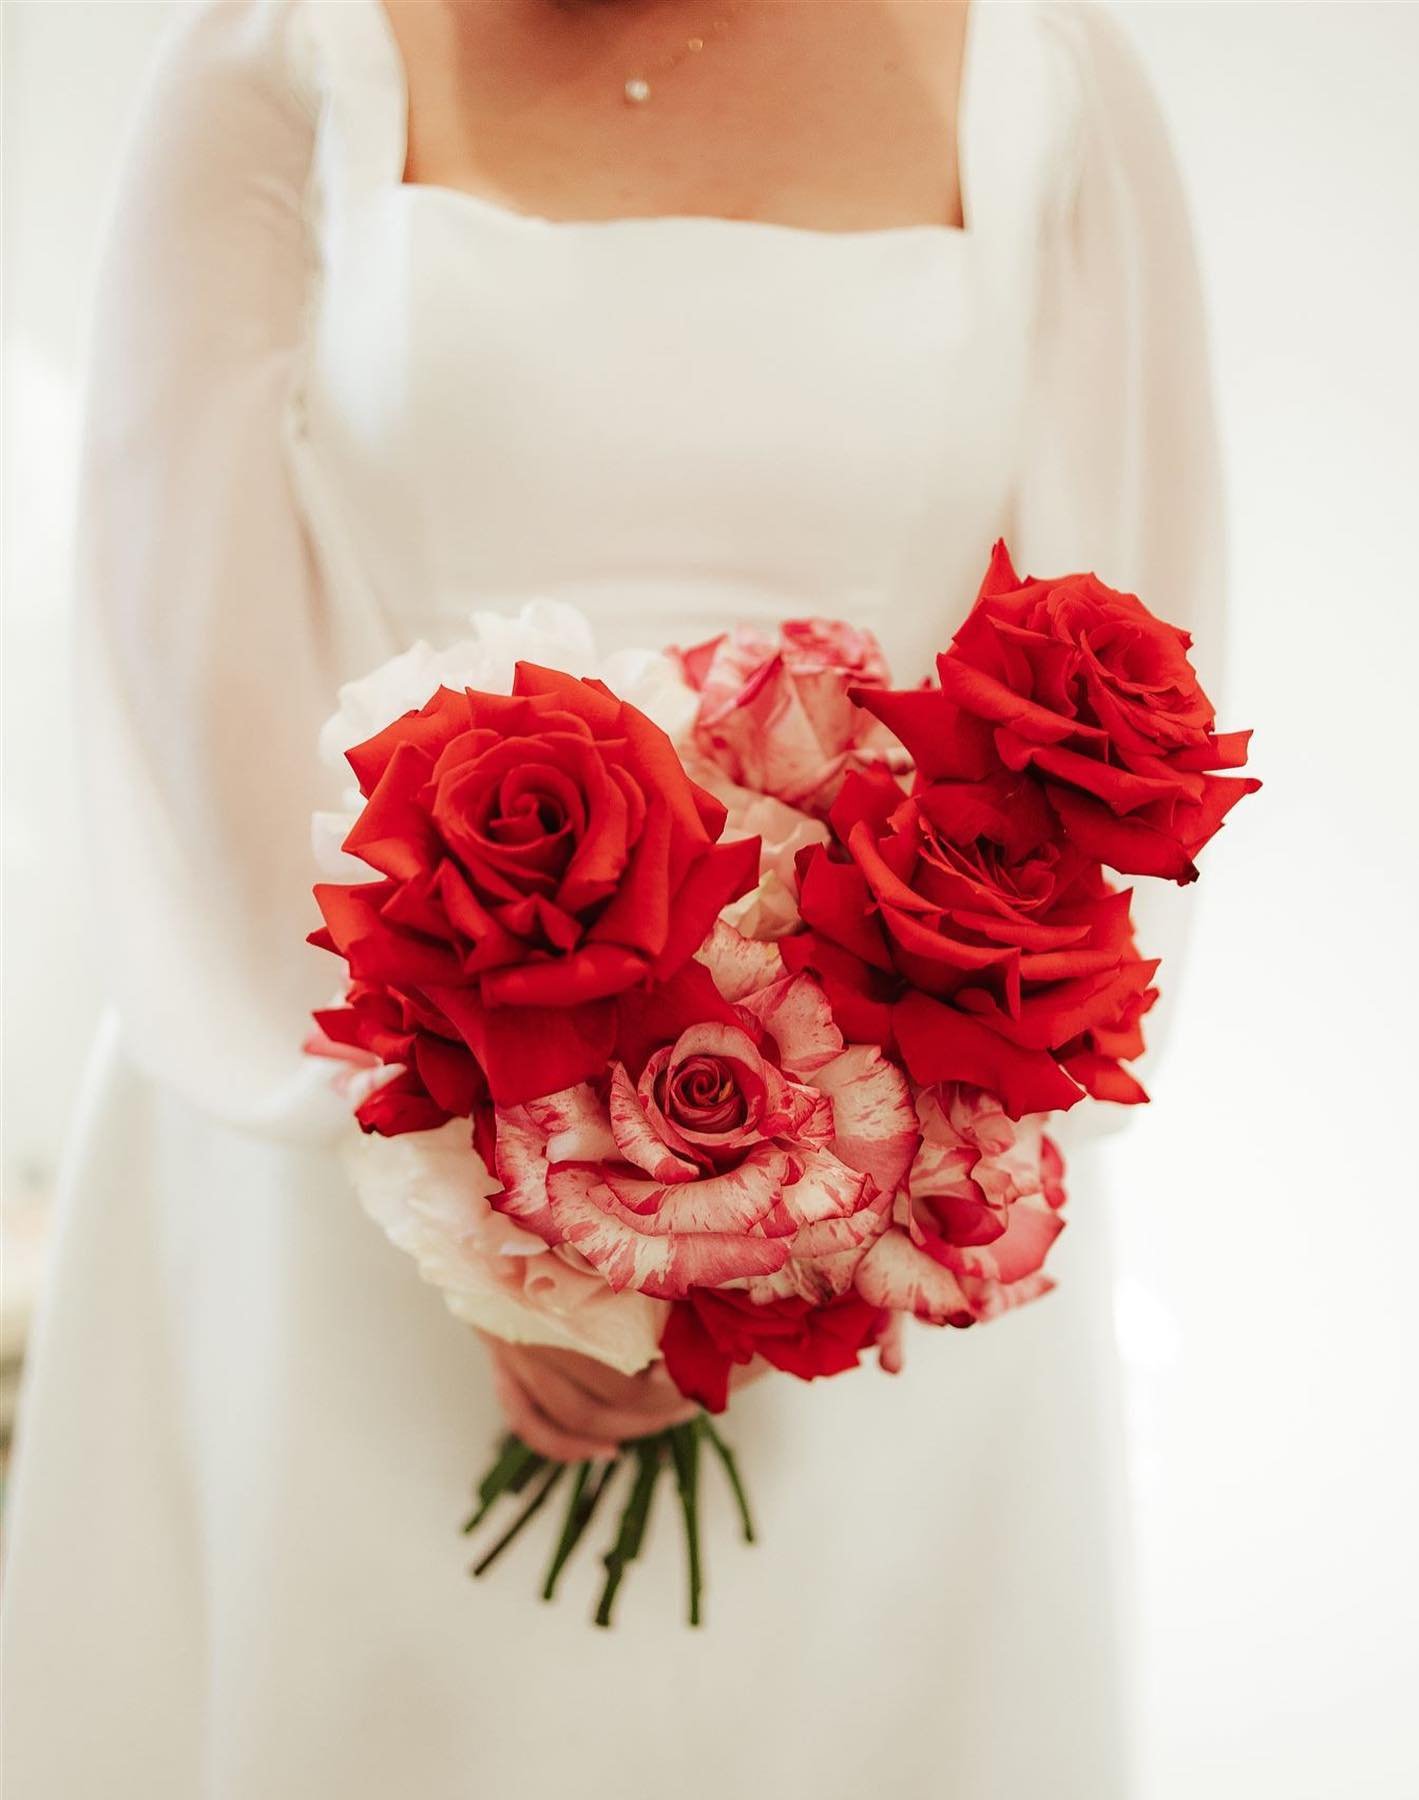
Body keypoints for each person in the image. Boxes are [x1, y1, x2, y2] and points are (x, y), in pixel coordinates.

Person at [0, 2, 1225, 1794]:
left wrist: (841, 1194)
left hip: (891, 1168)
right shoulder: (284, 49)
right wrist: (442, 1177)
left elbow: (1127, 624)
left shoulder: (1047, 75)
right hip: (349, 1141)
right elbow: (175, 617)